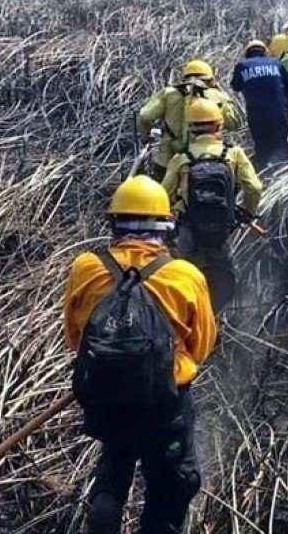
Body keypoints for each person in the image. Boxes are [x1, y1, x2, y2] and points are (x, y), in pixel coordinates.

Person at [63, 175, 217, 534]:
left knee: (116, 457)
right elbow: (203, 346)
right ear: (166, 226)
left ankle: (103, 513)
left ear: (114, 222)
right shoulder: (185, 275)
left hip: (103, 394)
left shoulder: (85, 266)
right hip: (166, 401)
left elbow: (75, 338)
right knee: (172, 485)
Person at [162, 98, 262, 282]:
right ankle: (224, 309)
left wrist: (170, 214)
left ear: (191, 127)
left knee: (186, 275)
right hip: (222, 226)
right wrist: (249, 213)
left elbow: (162, 194)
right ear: (219, 124)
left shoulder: (181, 158)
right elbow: (254, 187)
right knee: (225, 275)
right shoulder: (234, 154)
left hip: (189, 228)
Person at [138, 60, 241, 182]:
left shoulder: (168, 93)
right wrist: (221, 94)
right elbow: (234, 124)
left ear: (184, 78)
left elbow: (144, 116)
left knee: (162, 194)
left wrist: (146, 136)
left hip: (167, 159)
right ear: (210, 79)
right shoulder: (216, 95)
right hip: (204, 160)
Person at [230, 39, 288, 168]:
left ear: (248, 53)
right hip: (279, 112)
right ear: (265, 52)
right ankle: (284, 171)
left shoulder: (242, 66)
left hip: (256, 114)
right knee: (281, 144)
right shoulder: (276, 63)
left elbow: (236, 86)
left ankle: (263, 173)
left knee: (262, 146)